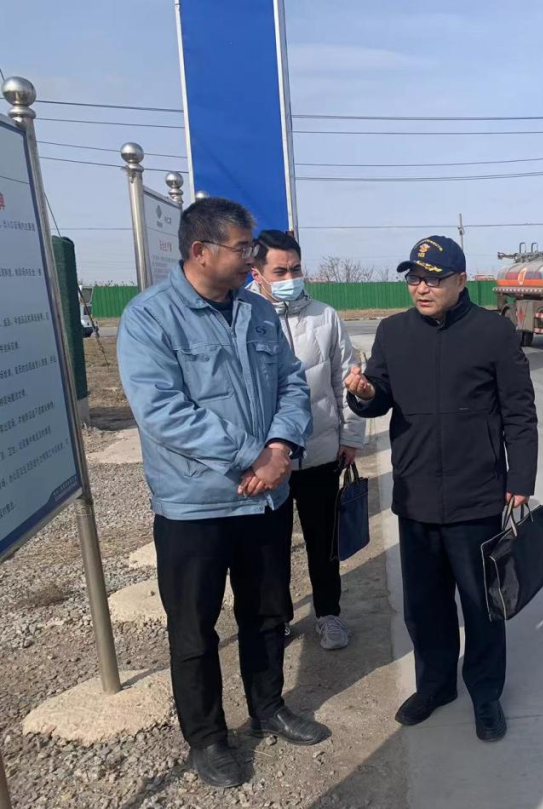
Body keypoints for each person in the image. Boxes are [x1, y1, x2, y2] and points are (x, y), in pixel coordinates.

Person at [117, 198, 329, 790]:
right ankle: (208, 738)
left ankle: (268, 706)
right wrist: (250, 455)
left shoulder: (256, 311)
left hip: (264, 499)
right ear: (200, 251)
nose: (252, 258)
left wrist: (280, 447)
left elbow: (291, 381)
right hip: (195, 507)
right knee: (194, 628)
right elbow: (162, 411)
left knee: (268, 612)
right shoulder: (150, 318)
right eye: (243, 248)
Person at [343, 235, 537, 742]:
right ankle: (435, 685)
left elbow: (519, 412)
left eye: (433, 278)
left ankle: (486, 694)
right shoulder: (393, 332)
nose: (421, 288)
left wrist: (520, 479)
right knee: (425, 605)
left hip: (477, 495)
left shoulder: (493, 332)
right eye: (414, 278)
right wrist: (365, 394)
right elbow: (379, 396)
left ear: (461, 280)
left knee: (482, 604)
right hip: (416, 493)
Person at [249, 229, 366, 651]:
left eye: (295, 269)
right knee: (270, 547)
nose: (290, 278)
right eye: (280, 271)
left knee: (324, 543)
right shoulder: (243, 317)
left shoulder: (325, 317)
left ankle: (329, 614)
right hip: (267, 462)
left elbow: (344, 380)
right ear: (257, 273)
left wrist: (350, 435)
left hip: (320, 453)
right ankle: (278, 618)